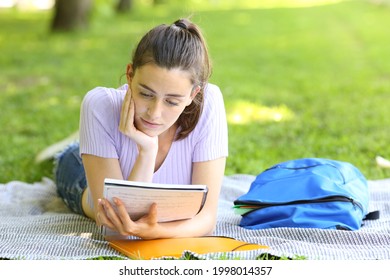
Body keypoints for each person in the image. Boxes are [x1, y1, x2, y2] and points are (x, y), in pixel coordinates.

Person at [54, 18, 228, 240]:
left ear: (193, 94)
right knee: (69, 155)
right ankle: (81, 144)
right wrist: (146, 151)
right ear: (129, 75)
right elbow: (117, 228)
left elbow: (207, 220)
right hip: (80, 176)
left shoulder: (209, 102)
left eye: (172, 102)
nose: (154, 113)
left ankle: (88, 141)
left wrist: (156, 232)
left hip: (113, 155)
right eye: (146, 94)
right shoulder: (98, 104)